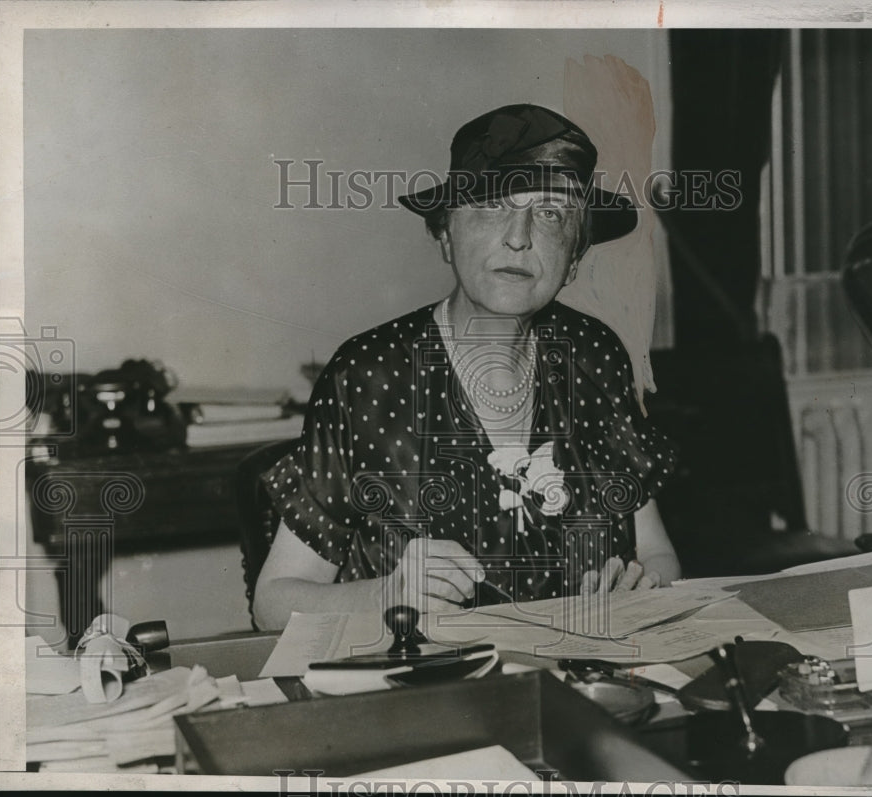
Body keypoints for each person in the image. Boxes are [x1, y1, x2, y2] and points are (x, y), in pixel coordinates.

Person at [253, 104, 680, 631]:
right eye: (491, 205)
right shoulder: (366, 375)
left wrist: (642, 588)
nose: (519, 236)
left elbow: (658, 555)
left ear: (573, 258)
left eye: (551, 214)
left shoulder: (594, 356)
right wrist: (388, 594)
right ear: (445, 236)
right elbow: (271, 602)